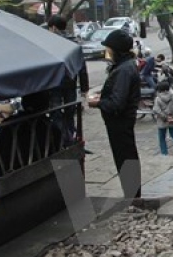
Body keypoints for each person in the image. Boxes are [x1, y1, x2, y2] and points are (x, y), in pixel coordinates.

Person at [87, 29, 142, 200]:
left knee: (125, 158)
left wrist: (98, 102)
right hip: (120, 122)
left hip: (120, 122)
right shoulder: (124, 67)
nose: (107, 52)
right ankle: (133, 196)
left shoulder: (124, 70)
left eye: (109, 49)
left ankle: (133, 197)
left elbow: (117, 104)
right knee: (126, 157)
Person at [48, 15, 89, 145]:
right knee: (70, 112)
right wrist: (84, 88)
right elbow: (82, 67)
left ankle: (62, 140)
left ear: (53, 28)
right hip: (70, 83)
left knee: (56, 113)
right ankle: (70, 137)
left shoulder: (49, 43)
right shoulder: (74, 43)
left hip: (55, 85)